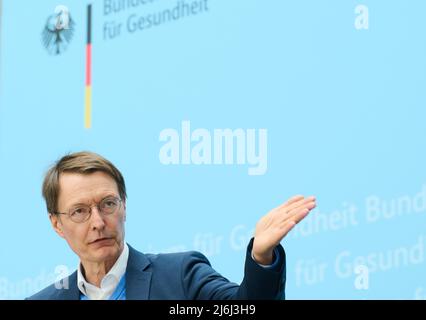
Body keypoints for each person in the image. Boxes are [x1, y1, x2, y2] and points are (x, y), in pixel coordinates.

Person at [28, 151, 316, 300]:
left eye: (108, 204)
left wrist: (261, 258)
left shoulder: (180, 276)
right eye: (80, 211)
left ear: (124, 206)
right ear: (57, 224)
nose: (98, 222)